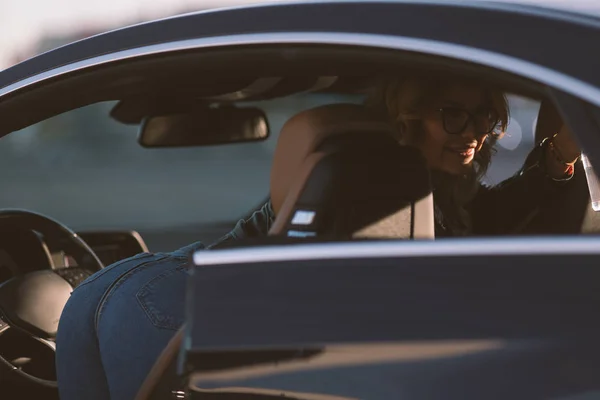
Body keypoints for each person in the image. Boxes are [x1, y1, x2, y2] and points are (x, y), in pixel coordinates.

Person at [55, 76, 581, 399]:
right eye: (454, 114)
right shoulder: (366, 182)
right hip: (176, 296)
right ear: (407, 114)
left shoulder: (428, 191)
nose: (473, 130)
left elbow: (482, 224)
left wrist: (557, 161)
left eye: (485, 115)